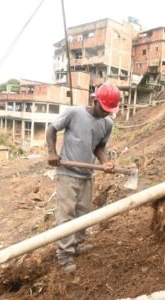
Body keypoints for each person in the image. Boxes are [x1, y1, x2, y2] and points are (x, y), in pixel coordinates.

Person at [46, 83, 120, 272]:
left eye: (109, 111)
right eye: (104, 109)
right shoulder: (74, 113)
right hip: (67, 173)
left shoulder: (107, 124)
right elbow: (51, 129)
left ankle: (75, 246)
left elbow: (99, 148)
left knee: (82, 214)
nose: (106, 114)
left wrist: (104, 163)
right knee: (67, 215)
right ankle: (64, 255)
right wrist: (52, 153)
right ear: (95, 101)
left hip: (86, 175)